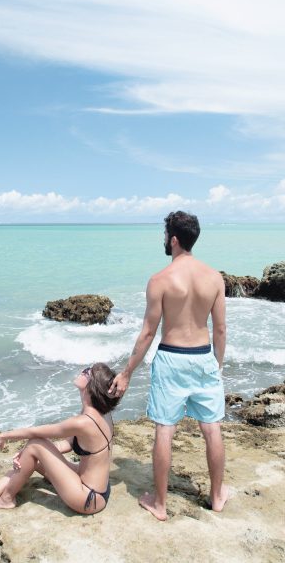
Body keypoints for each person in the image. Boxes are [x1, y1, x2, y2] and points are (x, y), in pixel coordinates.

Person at [108, 210, 229, 521]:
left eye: (165, 235)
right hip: (203, 356)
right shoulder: (214, 278)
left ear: (174, 239)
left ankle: (160, 504)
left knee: (165, 429)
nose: (164, 240)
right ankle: (217, 496)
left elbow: (148, 332)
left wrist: (127, 372)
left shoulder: (159, 280)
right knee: (211, 428)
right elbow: (220, 329)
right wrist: (216, 364)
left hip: (171, 356)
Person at [0, 363, 121, 526]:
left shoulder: (83, 421)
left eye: (87, 371)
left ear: (91, 386)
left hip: (88, 498)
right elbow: (69, 443)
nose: (83, 370)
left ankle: (6, 500)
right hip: (95, 488)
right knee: (32, 453)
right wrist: (31, 454)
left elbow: (36, 432)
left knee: (35, 443)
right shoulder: (100, 414)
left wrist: (5, 436)